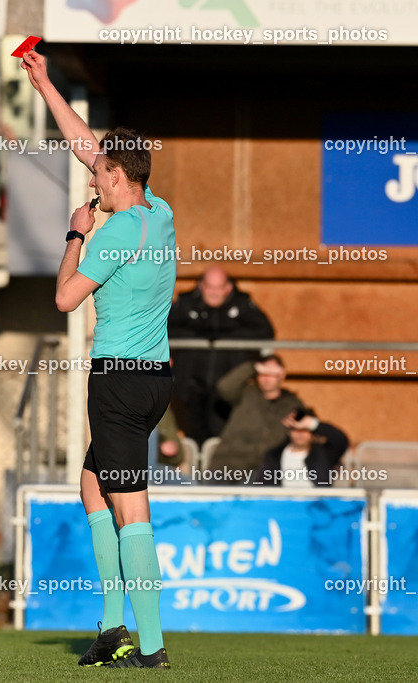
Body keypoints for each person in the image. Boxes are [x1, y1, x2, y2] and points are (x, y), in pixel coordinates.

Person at [22, 49, 175, 669]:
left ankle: (154, 646)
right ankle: (114, 624)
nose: (91, 178)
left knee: (129, 504)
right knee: (92, 486)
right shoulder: (158, 213)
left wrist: (75, 233)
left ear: (117, 179)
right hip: (155, 379)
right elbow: (90, 146)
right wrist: (46, 85)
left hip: (116, 380)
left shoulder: (108, 233)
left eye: (98, 175)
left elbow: (64, 300)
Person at [168, 267, 274, 445]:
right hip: (190, 385)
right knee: (195, 436)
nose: (214, 293)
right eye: (209, 287)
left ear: (228, 288)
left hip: (226, 388)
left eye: (219, 288)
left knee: (220, 437)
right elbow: (163, 329)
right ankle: (197, 473)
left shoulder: (241, 304)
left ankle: (218, 472)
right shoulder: (186, 303)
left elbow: (265, 332)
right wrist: (198, 336)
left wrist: (226, 336)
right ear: (201, 286)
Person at [206, 355, 303, 483]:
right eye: (263, 373)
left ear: (281, 374)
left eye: (271, 373)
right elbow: (224, 387)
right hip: (226, 463)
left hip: (262, 469)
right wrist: (252, 367)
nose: (266, 378)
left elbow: (309, 430)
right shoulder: (246, 394)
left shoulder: (292, 405)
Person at [253, 407, 349, 487]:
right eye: (296, 429)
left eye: (305, 429)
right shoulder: (274, 456)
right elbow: (264, 487)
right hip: (284, 505)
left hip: (315, 506)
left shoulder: (323, 454)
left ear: (312, 432)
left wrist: (313, 424)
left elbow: (341, 440)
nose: (300, 434)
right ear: (289, 432)